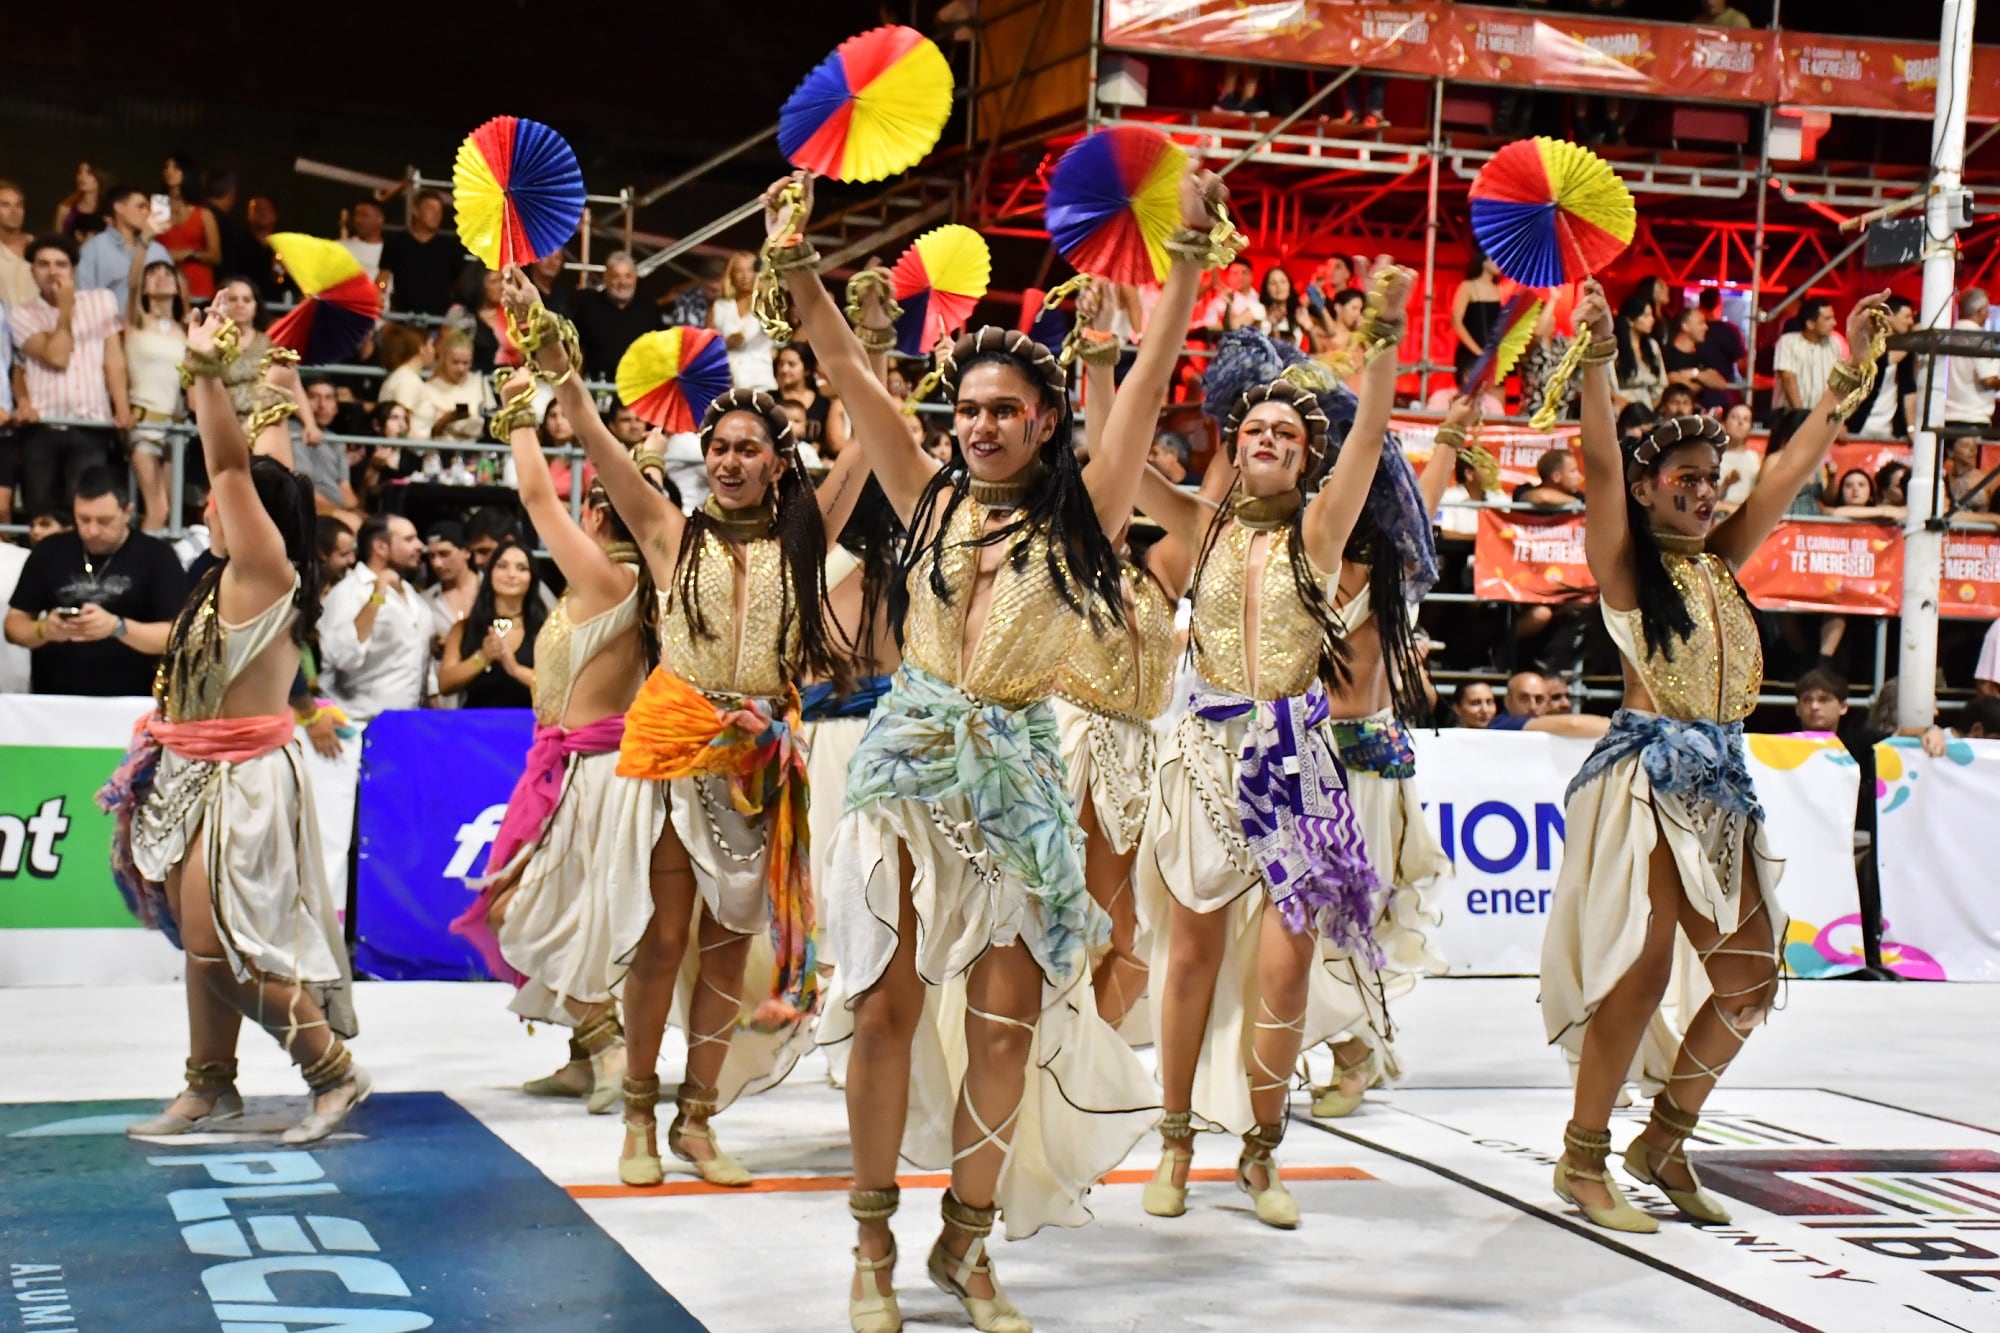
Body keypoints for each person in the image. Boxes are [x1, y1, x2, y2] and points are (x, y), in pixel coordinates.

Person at [776, 167, 1209, 1332]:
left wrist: (1183, 268)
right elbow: (852, 379)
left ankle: (963, 1245)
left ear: (1043, 420)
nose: (978, 424)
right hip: (904, 765)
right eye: (965, 408)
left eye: (1003, 409)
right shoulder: (919, 496)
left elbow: (1151, 383)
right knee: (880, 1007)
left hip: (1013, 774)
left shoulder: (1086, 515)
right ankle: (870, 1245)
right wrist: (799, 268)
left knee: (1005, 1017)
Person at [503, 260, 870, 1195]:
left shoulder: (806, 542)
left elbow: (869, 431)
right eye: (720, 446)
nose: (730, 459)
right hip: (674, 756)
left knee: (723, 950)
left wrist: (861, 338)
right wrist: (557, 368)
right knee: (666, 937)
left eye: (750, 447)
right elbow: (592, 436)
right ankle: (638, 1110)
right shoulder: (670, 536)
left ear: (778, 462)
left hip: (760, 771)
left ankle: (698, 1115)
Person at [1542, 280, 1890, 1235]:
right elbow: (1602, 467)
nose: (1703, 492)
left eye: (1710, 479)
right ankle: (1582, 1157)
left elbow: (1784, 471)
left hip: (1721, 781)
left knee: (1749, 979)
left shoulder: (1721, 554)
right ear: (1653, 486)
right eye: (1683, 479)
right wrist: (1603, 363)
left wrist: (1845, 379)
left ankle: (1665, 1135)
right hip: (1647, 779)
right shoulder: (1626, 561)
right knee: (1643, 971)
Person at [1133, 259, 1412, 1237]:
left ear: (1304, 459)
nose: (1266, 441)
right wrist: (1116, 348)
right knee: (1189, 957)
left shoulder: (1320, 535)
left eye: (1285, 434)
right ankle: (1173, 1139)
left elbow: (1371, 432)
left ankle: (1259, 1149)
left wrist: (1377, 337)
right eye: (1253, 429)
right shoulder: (1198, 528)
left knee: (1287, 970)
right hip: (1205, 757)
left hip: (1294, 761)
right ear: (1231, 442)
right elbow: (1120, 455)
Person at [101, 305, 367, 1145]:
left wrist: (205, 372)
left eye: (226, 500)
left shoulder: (264, 568)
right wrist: (278, 389)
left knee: (226, 945)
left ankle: (332, 1072)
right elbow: (260, 466)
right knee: (199, 944)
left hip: (241, 777)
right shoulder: (234, 570)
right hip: (189, 769)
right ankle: (208, 1084)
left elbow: (227, 463)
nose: (210, 505)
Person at [453, 363, 658, 1109]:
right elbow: (560, 693)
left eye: (601, 502)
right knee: (571, 914)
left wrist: (517, 413)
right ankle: (584, 1051)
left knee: (530, 908)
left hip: (599, 776)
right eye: (596, 501)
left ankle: (607, 1048)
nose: (592, 513)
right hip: (570, 768)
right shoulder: (597, 585)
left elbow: (537, 497)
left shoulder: (614, 581)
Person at [1061, 283, 1201, 1032]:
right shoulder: (1061, 560)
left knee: (1133, 931)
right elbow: (1109, 449)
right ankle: (1062, 1055)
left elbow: (1205, 508)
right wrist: (1100, 364)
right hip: (1076, 745)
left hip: (1147, 752)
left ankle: (1088, 1055)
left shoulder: (1161, 565)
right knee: (1074, 919)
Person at [311, 513, 430, 895]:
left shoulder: (413, 594)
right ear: (381, 546)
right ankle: (345, 926)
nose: (419, 546)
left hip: (406, 731)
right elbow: (341, 656)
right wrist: (377, 596)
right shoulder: (350, 591)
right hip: (357, 734)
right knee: (351, 837)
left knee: (392, 836)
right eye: (409, 538)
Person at [5, 466, 186, 695]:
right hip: (55, 698)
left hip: (133, 698)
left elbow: (175, 636)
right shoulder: (50, 551)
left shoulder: (157, 556)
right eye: (83, 519)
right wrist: (44, 630)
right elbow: (14, 625)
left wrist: (117, 627)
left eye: (104, 521)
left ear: (127, 513)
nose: (92, 530)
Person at [9, 235, 133, 515]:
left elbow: (114, 359)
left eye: (60, 264)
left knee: (87, 511)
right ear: (32, 271)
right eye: (43, 264)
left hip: (90, 425)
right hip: (43, 426)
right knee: (41, 514)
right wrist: (65, 308)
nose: (53, 272)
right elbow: (57, 356)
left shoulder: (102, 300)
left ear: (73, 269)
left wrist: (122, 408)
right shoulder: (21, 314)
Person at [437, 537, 542, 709]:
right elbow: (445, 684)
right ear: (490, 573)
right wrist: (483, 657)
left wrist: (515, 669)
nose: (511, 574)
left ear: (532, 578)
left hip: (527, 727)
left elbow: (558, 689)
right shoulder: (463, 628)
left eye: (521, 568)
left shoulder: (545, 629)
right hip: (475, 729)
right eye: (502, 566)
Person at [125, 260, 188, 533]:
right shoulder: (135, 321)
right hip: (144, 423)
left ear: (178, 286)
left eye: (167, 273)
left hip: (176, 426)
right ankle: (140, 571)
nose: (160, 278)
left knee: (171, 511)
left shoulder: (184, 329)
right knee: (158, 509)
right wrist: (146, 237)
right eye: (153, 274)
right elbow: (132, 284)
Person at [76, 186, 173, 309]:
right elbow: (82, 295)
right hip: (107, 325)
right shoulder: (93, 249)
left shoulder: (158, 251)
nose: (147, 213)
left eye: (148, 208)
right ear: (119, 208)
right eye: (141, 207)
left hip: (152, 325)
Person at [379, 190, 462, 319]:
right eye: (431, 209)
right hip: (403, 319)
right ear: (416, 211)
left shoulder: (450, 247)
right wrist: (380, 294)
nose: (437, 215)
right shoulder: (396, 242)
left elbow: (459, 285)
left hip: (440, 321)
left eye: (439, 211)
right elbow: (383, 277)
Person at [573, 252, 659, 374]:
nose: (622, 282)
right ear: (606, 278)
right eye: (616, 276)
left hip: (637, 387)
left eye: (627, 276)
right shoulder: (588, 306)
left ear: (635, 278)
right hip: (595, 386)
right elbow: (576, 349)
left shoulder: (649, 309)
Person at [1849, 296, 1917, 441]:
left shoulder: (1906, 353)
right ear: (1889, 318)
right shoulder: (1868, 343)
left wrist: (1911, 428)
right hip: (1860, 427)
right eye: (1907, 317)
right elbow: (1883, 362)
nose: (1911, 322)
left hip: (1890, 430)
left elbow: (1908, 392)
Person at [156, 155, 220, 301]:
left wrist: (190, 253)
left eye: (176, 168)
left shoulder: (203, 213)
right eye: (166, 167)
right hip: (164, 284)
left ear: (186, 173)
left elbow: (215, 256)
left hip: (198, 287)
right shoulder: (157, 208)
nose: (169, 171)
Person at [409, 328, 490, 442]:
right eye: (455, 362)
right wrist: (445, 421)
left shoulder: (480, 383)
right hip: (441, 448)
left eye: (465, 363)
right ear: (444, 359)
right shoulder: (428, 389)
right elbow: (420, 433)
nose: (461, 368)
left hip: (478, 449)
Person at [712, 251, 776, 392]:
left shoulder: (766, 303)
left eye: (750, 270)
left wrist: (763, 293)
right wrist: (725, 344)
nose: (745, 276)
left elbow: (776, 326)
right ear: (731, 275)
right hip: (729, 382)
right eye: (739, 271)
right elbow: (706, 346)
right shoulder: (720, 306)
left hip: (760, 381)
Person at [1774, 297, 1844, 418]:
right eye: (1827, 319)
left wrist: (1836, 417)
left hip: (1821, 420)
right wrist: (1800, 416)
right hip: (1788, 419)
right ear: (1810, 323)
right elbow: (1788, 378)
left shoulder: (1834, 344)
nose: (1834, 323)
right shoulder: (1788, 342)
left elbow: (1837, 386)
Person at [1945, 288, 2000, 434]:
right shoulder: (1981, 339)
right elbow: (1988, 379)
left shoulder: (1949, 335)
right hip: (1974, 418)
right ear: (1982, 311)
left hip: (1948, 417)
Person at [1451, 250, 1502, 383]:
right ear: (1484, 261)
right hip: (1471, 354)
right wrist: (1478, 352)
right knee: (1469, 399)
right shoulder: (1468, 287)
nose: (1500, 263)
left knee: (1496, 399)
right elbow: (1457, 322)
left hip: (1494, 355)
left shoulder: (1501, 289)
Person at [1612, 290, 1665, 411]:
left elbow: (1661, 382)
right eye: (1646, 316)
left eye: (1651, 315)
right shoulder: (1615, 348)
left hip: (1648, 409)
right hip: (1620, 409)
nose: (1652, 320)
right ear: (1630, 320)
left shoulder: (1652, 346)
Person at [1696, 288, 1745, 411]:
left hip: (1696, 393)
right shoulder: (1731, 331)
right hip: (1723, 393)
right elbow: (1743, 366)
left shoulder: (1693, 330)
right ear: (1720, 303)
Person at [1716, 403, 1760, 508]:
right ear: (1724, 422)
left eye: (1746, 419)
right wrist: (1726, 484)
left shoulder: (1755, 458)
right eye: (1735, 417)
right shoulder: (1713, 456)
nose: (1740, 423)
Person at [339, 198, 386, 279]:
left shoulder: (393, 254)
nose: (358, 220)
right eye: (356, 215)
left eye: (365, 216)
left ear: (379, 219)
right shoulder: (340, 247)